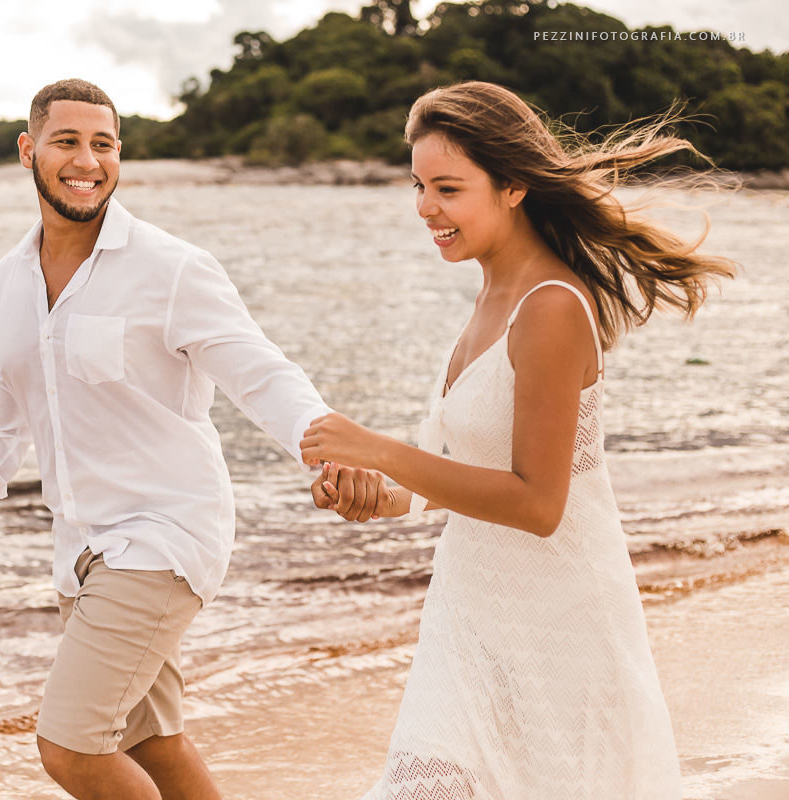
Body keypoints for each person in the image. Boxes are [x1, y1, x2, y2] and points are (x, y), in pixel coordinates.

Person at [0, 78, 380, 800]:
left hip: (164, 537)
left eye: (104, 144)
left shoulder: (170, 268)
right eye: (67, 141)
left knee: (71, 748)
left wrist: (334, 455)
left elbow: (261, 375)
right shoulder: (3, 287)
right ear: (28, 151)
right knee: (150, 742)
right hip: (80, 547)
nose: (88, 160)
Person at [301, 81, 737, 799]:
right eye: (417, 186)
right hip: (474, 621)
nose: (425, 209)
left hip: (557, 630)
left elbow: (539, 503)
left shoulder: (552, 307)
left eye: (447, 187)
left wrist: (376, 447)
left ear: (512, 187)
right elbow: (450, 474)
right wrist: (375, 496)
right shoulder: (489, 300)